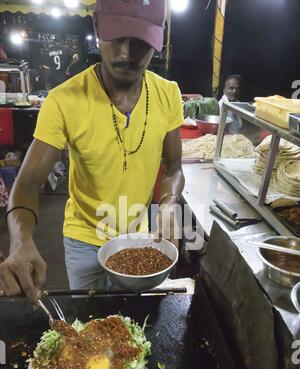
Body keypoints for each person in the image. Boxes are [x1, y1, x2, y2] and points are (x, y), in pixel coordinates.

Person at [0, 0, 184, 304]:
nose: (126, 54)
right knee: (88, 324)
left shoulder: (168, 95)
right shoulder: (65, 101)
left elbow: (175, 167)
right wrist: (21, 240)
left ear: (159, 39)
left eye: (140, 42)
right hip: (85, 240)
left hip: (140, 238)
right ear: (97, 26)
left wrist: (168, 202)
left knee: (140, 326)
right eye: (117, 37)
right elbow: (28, 184)